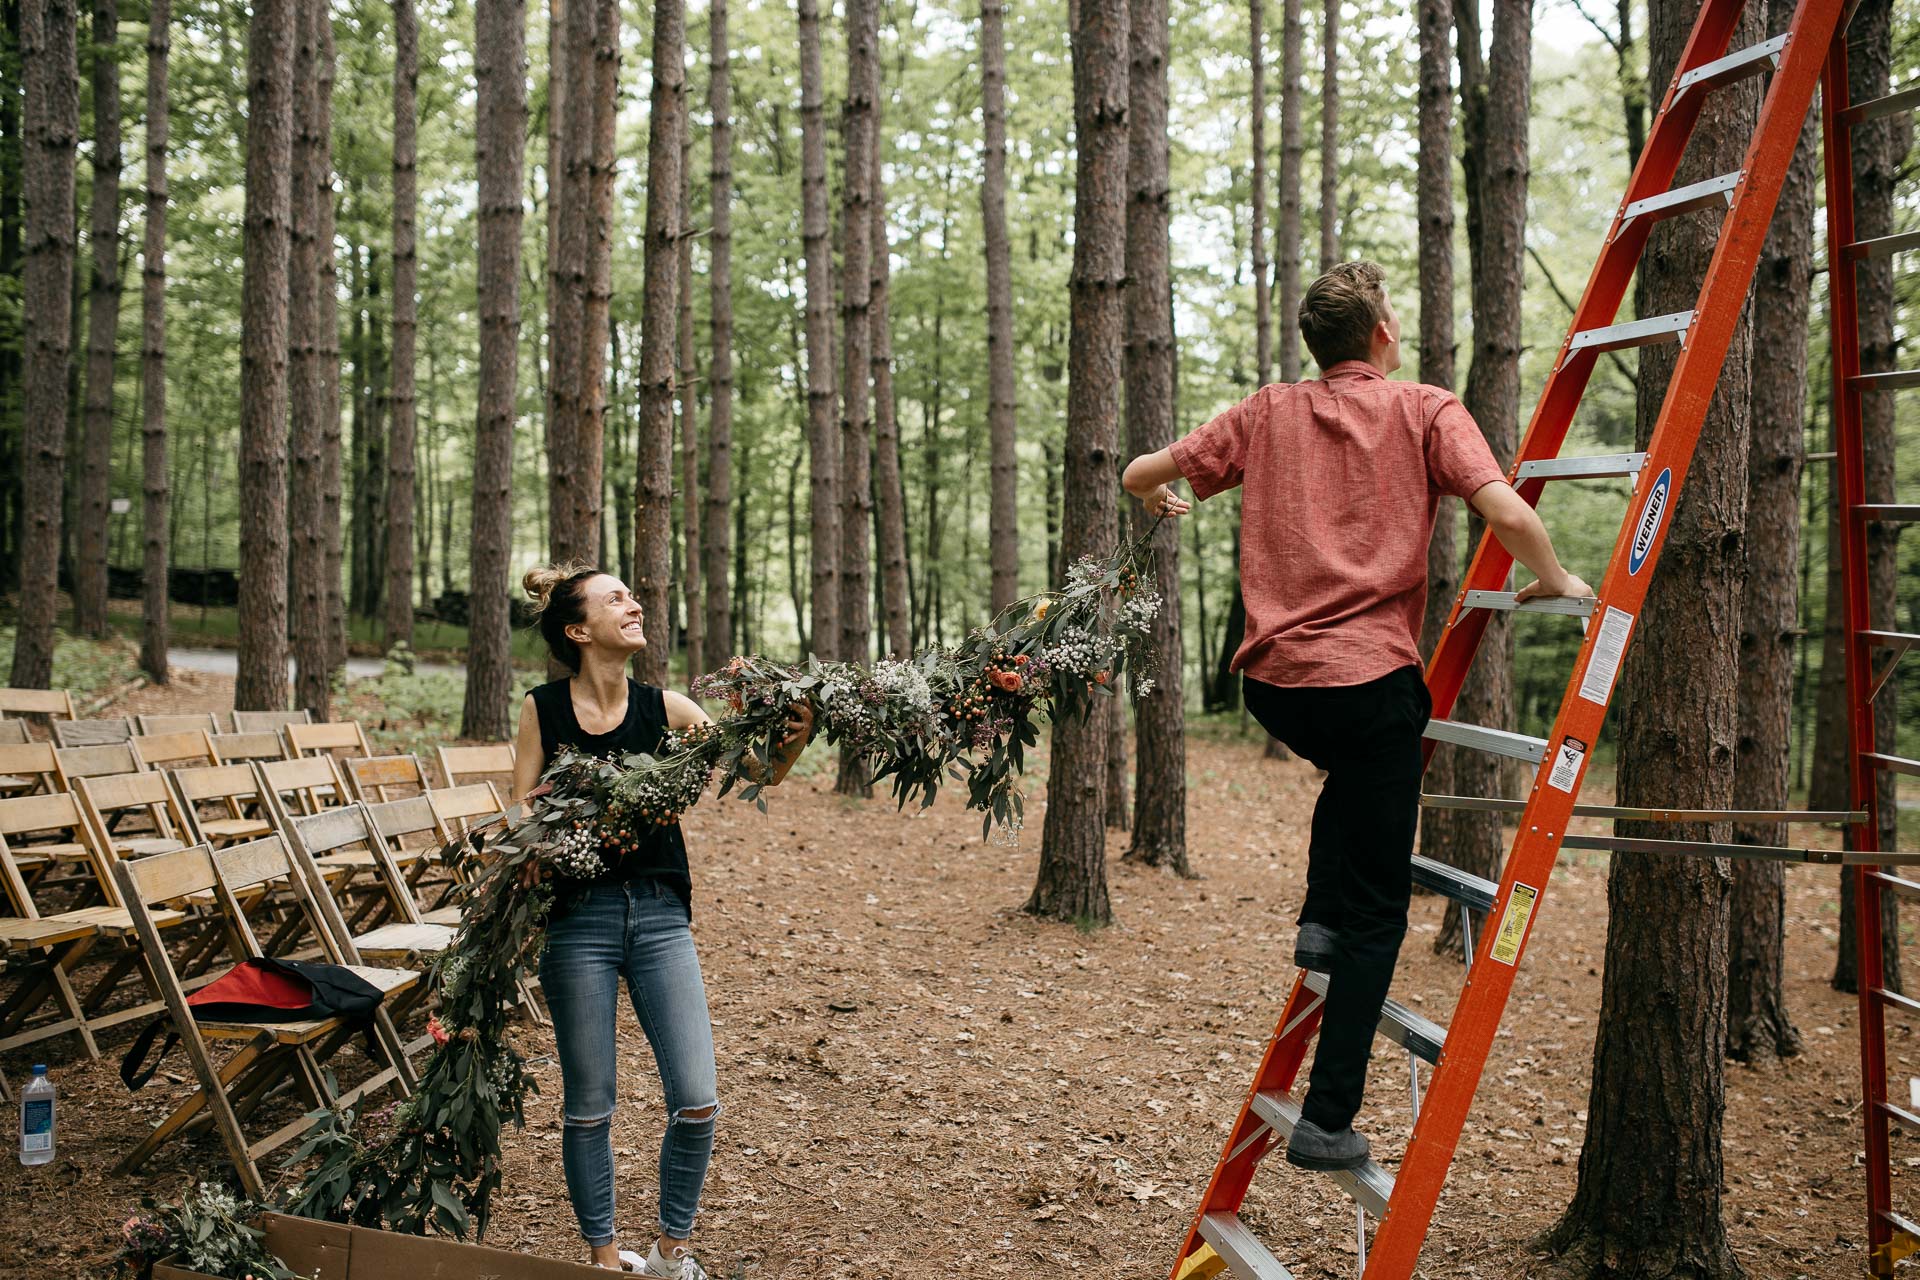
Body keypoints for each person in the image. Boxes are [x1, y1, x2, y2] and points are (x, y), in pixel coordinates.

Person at [1119, 260, 1591, 1173]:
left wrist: (1153, 493)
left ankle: (1317, 918)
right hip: (1370, 687)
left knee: (1351, 779)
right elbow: (1501, 506)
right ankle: (1328, 1120)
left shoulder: (1266, 411)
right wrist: (1554, 578)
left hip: (1278, 688)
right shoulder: (1422, 407)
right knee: (1384, 916)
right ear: (1380, 331)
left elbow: (1141, 470)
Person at [512, 564, 813, 1276]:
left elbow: (759, 770)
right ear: (578, 630)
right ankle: (605, 1255)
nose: (635, 603)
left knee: (698, 1099)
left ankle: (675, 1247)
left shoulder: (670, 709)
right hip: (576, 922)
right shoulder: (543, 708)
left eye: (633, 594)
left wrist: (794, 739)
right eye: (616, 598)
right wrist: (537, 839)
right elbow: (520, 801)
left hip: (658, 917)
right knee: (589, 1106)